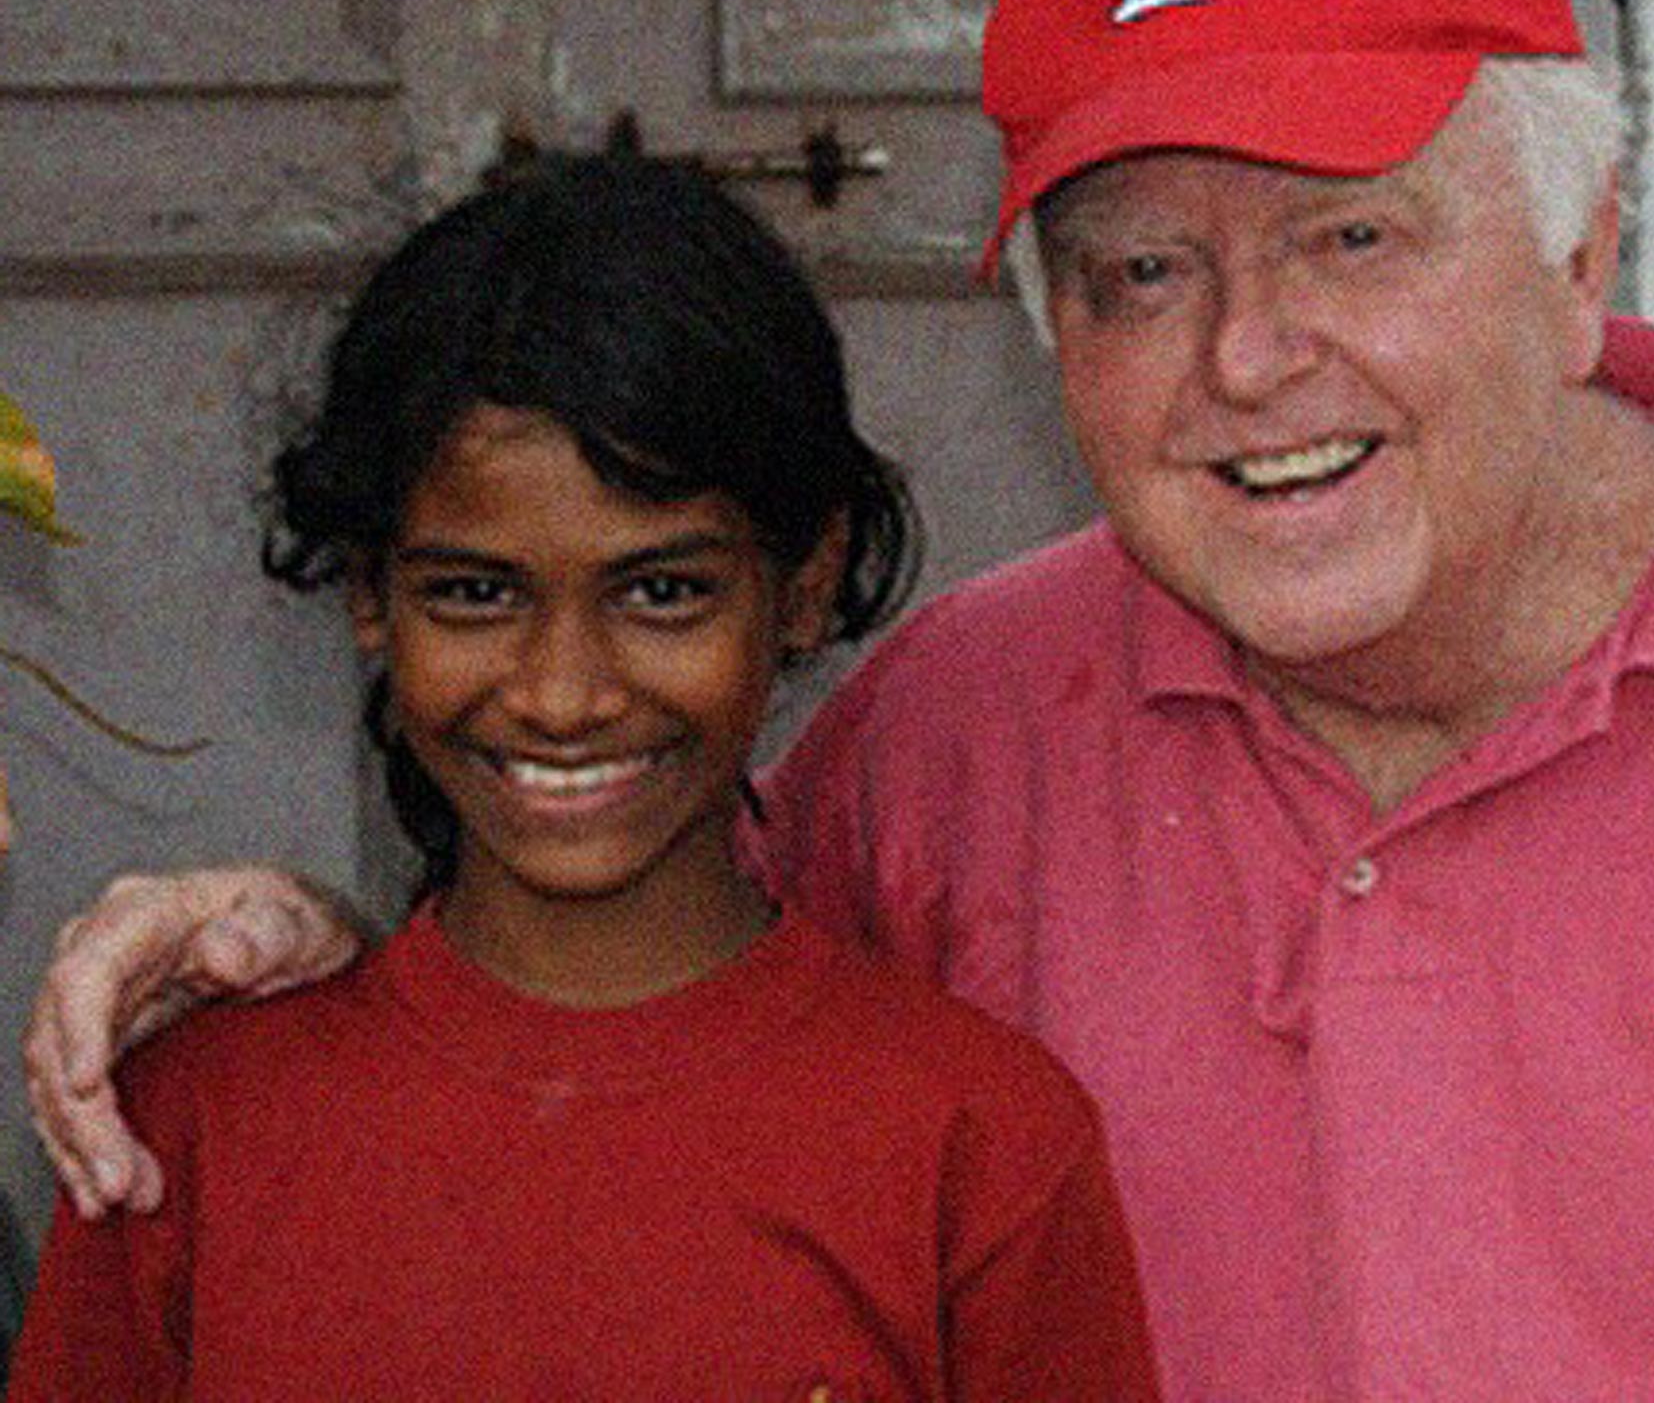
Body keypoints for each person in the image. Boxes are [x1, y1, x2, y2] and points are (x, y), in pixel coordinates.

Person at [22, 0, 1654, 1395]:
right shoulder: (957, 734)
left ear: (1580, 237)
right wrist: (303, 931)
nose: (1245, 359)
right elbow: (602, 1014)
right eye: (1137, 271)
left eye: (1348, 234)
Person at [6, 148, 1160, 1399]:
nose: (562, 694)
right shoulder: (190, 1128)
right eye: (474, 593)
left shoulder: (974, 1145)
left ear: (806, 586)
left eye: (661, 591)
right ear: (367, 597)